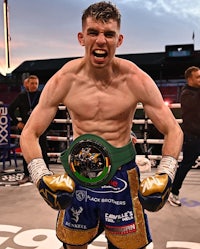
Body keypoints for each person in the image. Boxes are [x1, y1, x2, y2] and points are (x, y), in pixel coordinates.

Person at [20, 2, 183, 249]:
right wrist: (40, 176)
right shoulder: (66, 79)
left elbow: (173, 129)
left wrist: (166, 173)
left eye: (109, 34)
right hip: (79, 175)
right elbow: (30, 132)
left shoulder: (135, 78)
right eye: (93, 32)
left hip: (123, 176)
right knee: (74, 245)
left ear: (119, 40)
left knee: (126, 247)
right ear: (81, 37)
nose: (101, 40)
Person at [168, 66, 200, 207]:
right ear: (190, 79)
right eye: (198, 77)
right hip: (193, 136)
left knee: (185, 165)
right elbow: (194, 114)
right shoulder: (187, 94)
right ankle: (173, 192)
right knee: (186, 165)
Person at [8, 75, 49, 184]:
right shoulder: (22, 96)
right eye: (32, 83)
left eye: (36, 83)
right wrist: (17, 123)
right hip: (27, 128)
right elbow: (10, 109)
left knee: (43, 150)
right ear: (27, 84)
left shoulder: (41, 95)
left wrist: (46, 121)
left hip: (40, 127)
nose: (34, 85)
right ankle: (27, 174)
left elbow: (50, 109)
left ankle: (47, 173)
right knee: (26, 152)